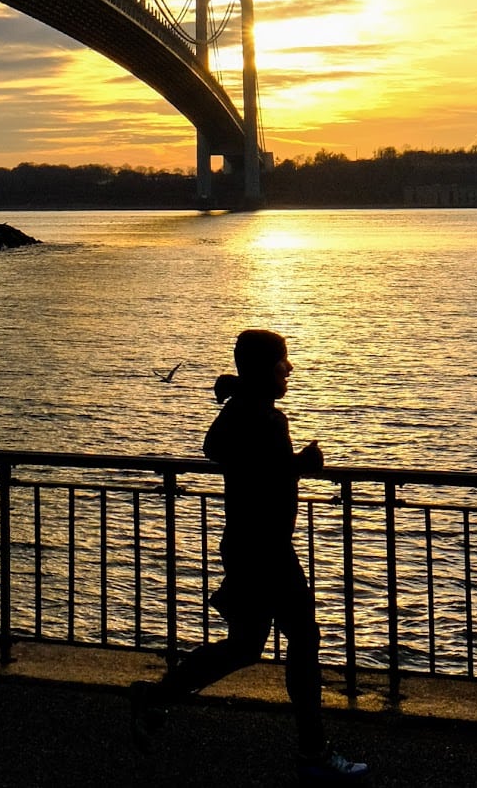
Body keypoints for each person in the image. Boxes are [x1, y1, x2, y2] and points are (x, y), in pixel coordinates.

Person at [129, 328, 368, 781]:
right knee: (303, 640)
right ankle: (313, 754)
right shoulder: (264, 418)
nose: (290, 368)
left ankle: (158, 695)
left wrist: (245, 397)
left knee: (246, 645)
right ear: (264, 369)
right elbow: (264, 476)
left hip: (245, 545)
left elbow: (222, 452)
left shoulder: (243, 411)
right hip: (268, 549)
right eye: (283, 361)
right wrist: (302, 466)